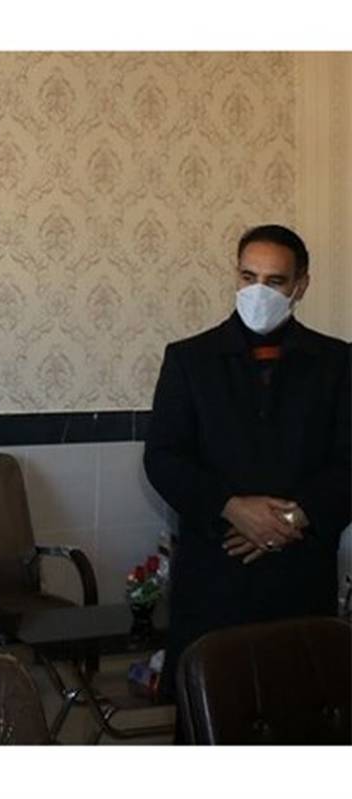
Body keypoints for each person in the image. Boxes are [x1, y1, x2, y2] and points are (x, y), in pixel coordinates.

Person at [144, 224, 350, 715]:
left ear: (300, 285)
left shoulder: (338, 363)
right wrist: (230, 508)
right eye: (248, 276)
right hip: (215, 575)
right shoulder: (189, 359)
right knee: (210, 720)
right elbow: (164, 457)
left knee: (299, 720)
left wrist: (291, 519)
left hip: (299, 575)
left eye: (275, 281)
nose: (259, 292)